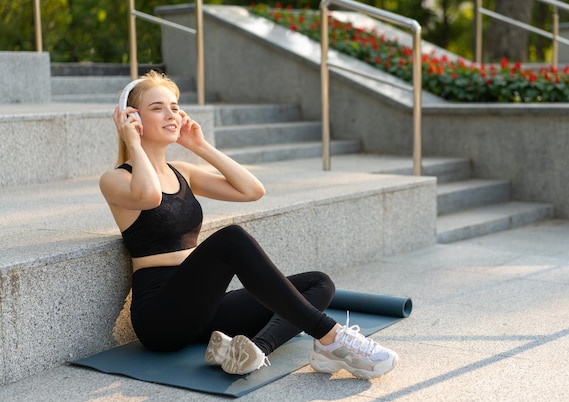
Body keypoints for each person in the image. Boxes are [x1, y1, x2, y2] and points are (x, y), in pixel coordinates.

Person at [99, 70, 398, 379]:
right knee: (230, 239)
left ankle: (255, 351)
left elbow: (252, 190)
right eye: (158, 107)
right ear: (131, 118)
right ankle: (331, 337)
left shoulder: (183, 172)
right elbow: (148, 196)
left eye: (175, 106)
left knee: (318, 284)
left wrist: (200, 146)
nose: (171, 114)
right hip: (161, 319)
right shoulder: (115, 179)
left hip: (204, 307)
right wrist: (131, 141)